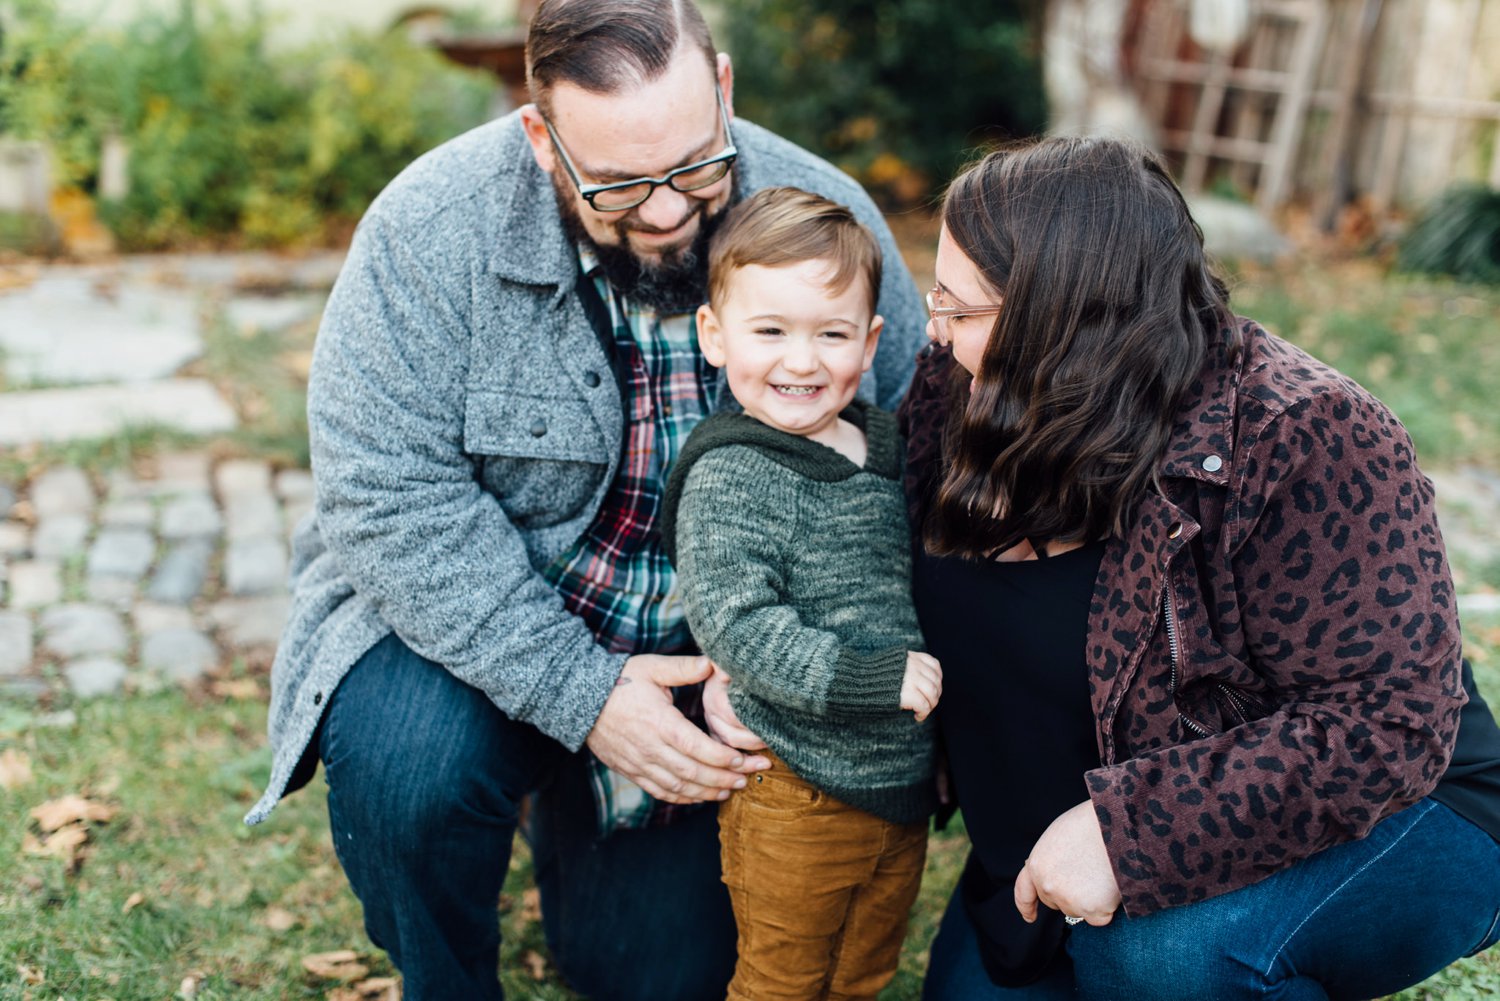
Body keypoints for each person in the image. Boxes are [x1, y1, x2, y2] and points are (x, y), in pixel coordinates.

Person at [240, 1, 928, 998]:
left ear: (724, 90)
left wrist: (789, 658)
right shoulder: (428, 230)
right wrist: (585, 694)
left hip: (707, 668)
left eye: (695, 166)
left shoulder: (823, 213)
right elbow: (386, 496)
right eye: (617, 183)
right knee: (408, 776)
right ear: (539, 133)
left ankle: (571, 815)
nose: (663, 212)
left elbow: (919, 444)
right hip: (466, 641)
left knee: (661, 974)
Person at [898, 136, 1500, 1000]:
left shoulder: (1306, 432)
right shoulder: (957, 388)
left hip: (1403, 812)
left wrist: (1129, 833)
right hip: (1050, 845)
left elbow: (1388, 725)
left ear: (1064, 321)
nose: (937, 328)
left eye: (962, 307)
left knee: (1157, 961)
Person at [659, 187, 941, 1001]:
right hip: (795, 783)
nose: (802, 360)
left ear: (871, 340)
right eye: (771, 330)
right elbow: (735, 623)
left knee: (863, 970)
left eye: (831, 333)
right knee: (783, 979)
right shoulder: (730, 473)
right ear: (715, 336)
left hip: (896, 780)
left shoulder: (885, 445)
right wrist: (866, 677)